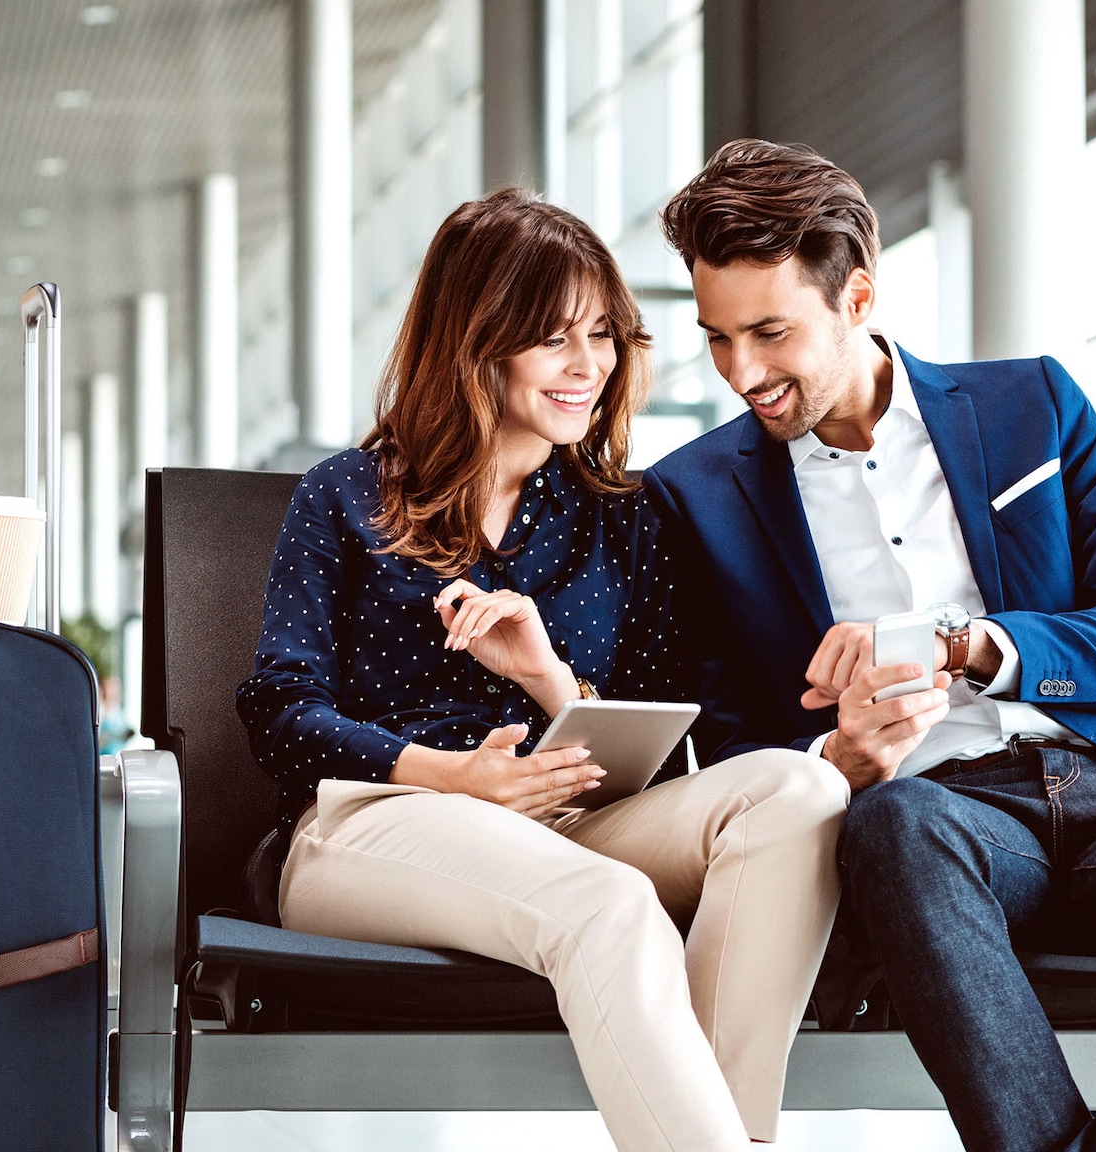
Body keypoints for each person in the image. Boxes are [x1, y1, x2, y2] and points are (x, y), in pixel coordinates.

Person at [645, 140, 1096, 1152]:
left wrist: (972, 646)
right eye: (717, 339)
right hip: (933, 825)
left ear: (857, 297)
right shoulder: (692, 495)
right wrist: (833, 760)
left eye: (769, 333)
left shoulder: (1030, 404)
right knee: (898, 823)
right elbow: (724, 750)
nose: (742, 373)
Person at [235, 188, 848, 1151]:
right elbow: (279, 714)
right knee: (611, 904)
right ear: (475, 341)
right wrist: (458, 777)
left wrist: (550, 680)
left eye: (602, 335)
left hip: (570, 827)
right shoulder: (349, 494)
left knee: (800, 789)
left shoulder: (625, 515)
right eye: (553, 338)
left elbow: (661, 750)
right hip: (368, 827)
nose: (587, 365)